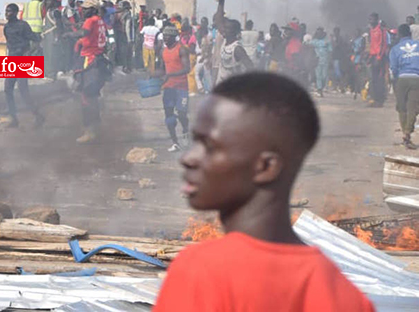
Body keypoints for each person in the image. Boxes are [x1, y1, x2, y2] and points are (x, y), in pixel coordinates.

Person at [154, 72, 375, 312]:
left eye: (209, 146)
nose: (188, 158)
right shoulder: (346, 296)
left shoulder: (200, 271)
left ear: (266, 167)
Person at [64, 0, 109, 143]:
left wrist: (69, 34)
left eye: (86, 8)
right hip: (98, 58)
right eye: (83, 8)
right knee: (91, 95)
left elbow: (84, 33)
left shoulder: (91, 21)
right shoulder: (100, 21)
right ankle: (93, 127)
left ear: (93, 9)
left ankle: (90, 129)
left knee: (87, 94)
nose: (83, 10)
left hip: (90, 60)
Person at [3, 3, 45, 128]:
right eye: (6, 11)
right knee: (8, 89)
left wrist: (29, 54)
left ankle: (37, 115)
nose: (7, 14)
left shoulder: (23, 26)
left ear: (16, 12)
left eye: (9, 11)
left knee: (23, 90)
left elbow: (35, 40)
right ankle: (13, 118)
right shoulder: (6, 27)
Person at [156, 26, 190, 152]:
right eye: (164, 36)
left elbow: (187, 69)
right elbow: (162, 68)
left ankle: (185, 131)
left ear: (173, 37)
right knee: (169, 116)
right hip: (168, 88)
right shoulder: (163, 51)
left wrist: (170, 75)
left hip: (181, 88)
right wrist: (155, 76)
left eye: (167, 36)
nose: (165, 38)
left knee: (182, 114)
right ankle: (175, 142)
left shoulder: (181, 50)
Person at [390, 24, 419, 149]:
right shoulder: (418, 46)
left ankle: (405, 134)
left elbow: (394, 68)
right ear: (410, 33)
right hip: (416, 79)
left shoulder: (395, 49)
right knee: (413, 108)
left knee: (402, 108)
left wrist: (396, 80)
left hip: (402, 79)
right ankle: (407, 133)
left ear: (399, 35)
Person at [214, 0, 253, 84]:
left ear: (234, 32)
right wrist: (221, 0)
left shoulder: (237, 49)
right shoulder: (225, 41)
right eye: (225, 27)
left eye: (228, 28)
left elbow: (250, 66)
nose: (224, 29)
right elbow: (218, 20)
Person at [367, 12, 388, 107]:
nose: (371, 21)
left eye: (372, 19)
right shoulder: (371, 30)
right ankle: (374, 99)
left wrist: (379, 57)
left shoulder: (381, 30)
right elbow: (372, 45)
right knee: (373, 79)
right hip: (373, 56)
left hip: (380, 57)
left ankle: (380, 100)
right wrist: (369, 57)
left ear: (376, 19)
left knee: (380, 79)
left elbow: (383, 44)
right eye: (370, 19)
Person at [42, 0, 63, 78]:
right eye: (47, 1)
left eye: (50, 0)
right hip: (47, 36)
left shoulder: (56, 12)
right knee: (46, 55)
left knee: (52, 55)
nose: (47, 2)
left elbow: (59, 25)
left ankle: (51, 74)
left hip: (53, 35)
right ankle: (46, 73)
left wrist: (57, 37)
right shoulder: (48, 11)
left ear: (54, 2)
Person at [195, 17, 214, 93]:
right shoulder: (198, 33)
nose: (203, 24)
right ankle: (202, 88)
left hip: (205, 57)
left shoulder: (209, 34)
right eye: (202, 22)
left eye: (204, 22)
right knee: (198, 74)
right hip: (199, 56)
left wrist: (205, 57)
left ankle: (208, 90)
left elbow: (209, 48)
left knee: (207, 75)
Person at [331, 27, 348, 92]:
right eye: (335, 31)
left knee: (338, 72)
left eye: (336, 31)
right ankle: (337, 86)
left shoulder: (339, 39)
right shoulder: (335, 38)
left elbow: (336, 46)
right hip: (335, 56)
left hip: (338, 57)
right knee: (336, 72)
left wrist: (334, 41)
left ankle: (341, 86)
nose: (335, 33)